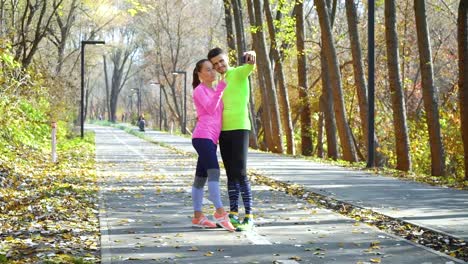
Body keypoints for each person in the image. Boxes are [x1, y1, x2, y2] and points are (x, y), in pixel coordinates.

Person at [207, 47, 256, 231]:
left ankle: (249, 216)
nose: (219, 65)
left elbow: (250, 65)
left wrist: (252, 54)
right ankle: (233, 214)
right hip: (224, 131)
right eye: (215, 64)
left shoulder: (238, 73)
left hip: (240, 128)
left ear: (227, 58)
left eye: (221, 61)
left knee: (241, 173)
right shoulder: (220, 81)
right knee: (230, 174)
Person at [190, 58, 236, 232]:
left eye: (212, 69)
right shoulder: (199, 90)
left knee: (200, 178)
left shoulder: (214, 89)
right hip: (202, 136)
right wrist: (221, 90)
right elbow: (210, 109)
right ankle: (220, 213)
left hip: (211, 139)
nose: (212, 72)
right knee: (214, 172)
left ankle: (197, 216)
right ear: (200, 74)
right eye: (208, 70)